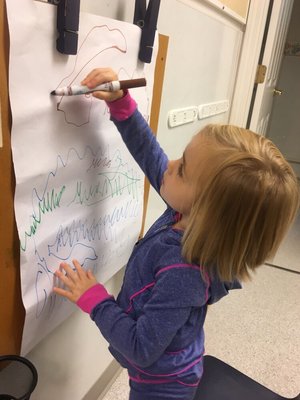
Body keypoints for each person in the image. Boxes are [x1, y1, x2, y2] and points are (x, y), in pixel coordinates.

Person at [53, 68, 299, 400]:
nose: (169, 164)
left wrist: (94, 299)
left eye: (182, 169)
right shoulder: (186, 211)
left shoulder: (184, 271)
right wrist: (121, 105)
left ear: (207, 210)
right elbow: (151, 156)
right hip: (165, 364)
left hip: (163, 384)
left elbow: (141, 347)